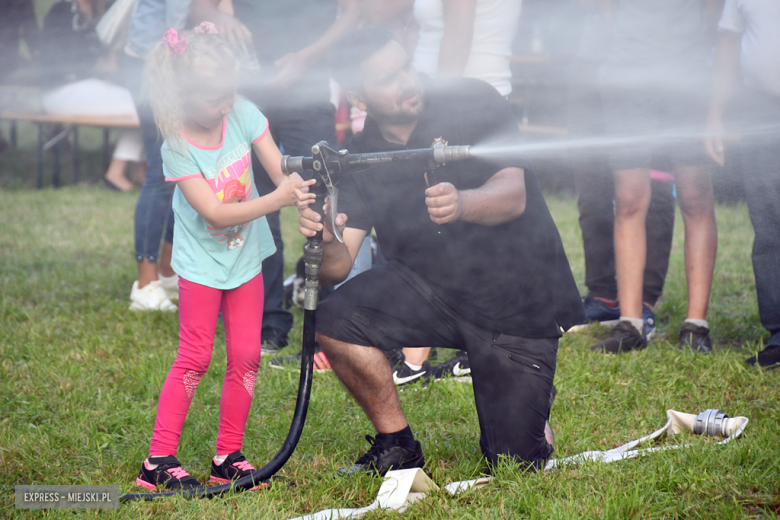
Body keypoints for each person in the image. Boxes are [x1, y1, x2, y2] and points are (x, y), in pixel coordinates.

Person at [296, 28, 584, 476]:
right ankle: (397, 445)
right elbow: (338, 267)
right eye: (390, 78)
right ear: (357, 95)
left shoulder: (472, 98)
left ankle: (533, 405)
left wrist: (463, 202)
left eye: (406, 66)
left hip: (517, 301)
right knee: (334, 320)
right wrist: (327, 238)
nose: (409, 81)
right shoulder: (360, 156)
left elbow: (514, 194)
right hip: (430, 291)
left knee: (514, 465)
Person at [134, 24, 314, 490]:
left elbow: (281, 173)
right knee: (194, 358)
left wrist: (310, 208)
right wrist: (281, 201)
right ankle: (157, 461)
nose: (225, 106)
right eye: (215, 99)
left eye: (230, 94)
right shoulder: (177, 144)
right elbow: (213, 210)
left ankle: (227, 457)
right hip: (201, 266)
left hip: (244, 259)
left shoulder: (243, 113)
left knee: (247, 355)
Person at [190, 0, 361, 352]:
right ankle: (267, 320)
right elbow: (199, 8)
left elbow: (353, 12)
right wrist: (221, 17)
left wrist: (306, 58)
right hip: (248, 95)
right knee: (254, 205)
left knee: (322, 203)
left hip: (309, 93)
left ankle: (327, 320)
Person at [590, 0, 719, 354]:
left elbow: (714, 12)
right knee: (629, 199)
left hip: (690, 75)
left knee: (695, 196)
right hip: (626, 76)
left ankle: (696, 326)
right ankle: (630, 325)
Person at [568, 0, 675, 336]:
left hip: (649, 61)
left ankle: (643, 301)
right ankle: (603, 295)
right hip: (590, 59)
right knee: (590, 181)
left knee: (649, 184)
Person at [704, 0, 780, 369]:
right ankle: (779, 336)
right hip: (760, 108)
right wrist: (715, 114)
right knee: (768, 224)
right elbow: (729, 42)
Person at [123, 0, 193, 311]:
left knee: (183, 173)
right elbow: (177, 21)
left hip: (176, 65)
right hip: (155, 64)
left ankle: (166, 272)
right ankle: (145, 282)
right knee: (162, 172)